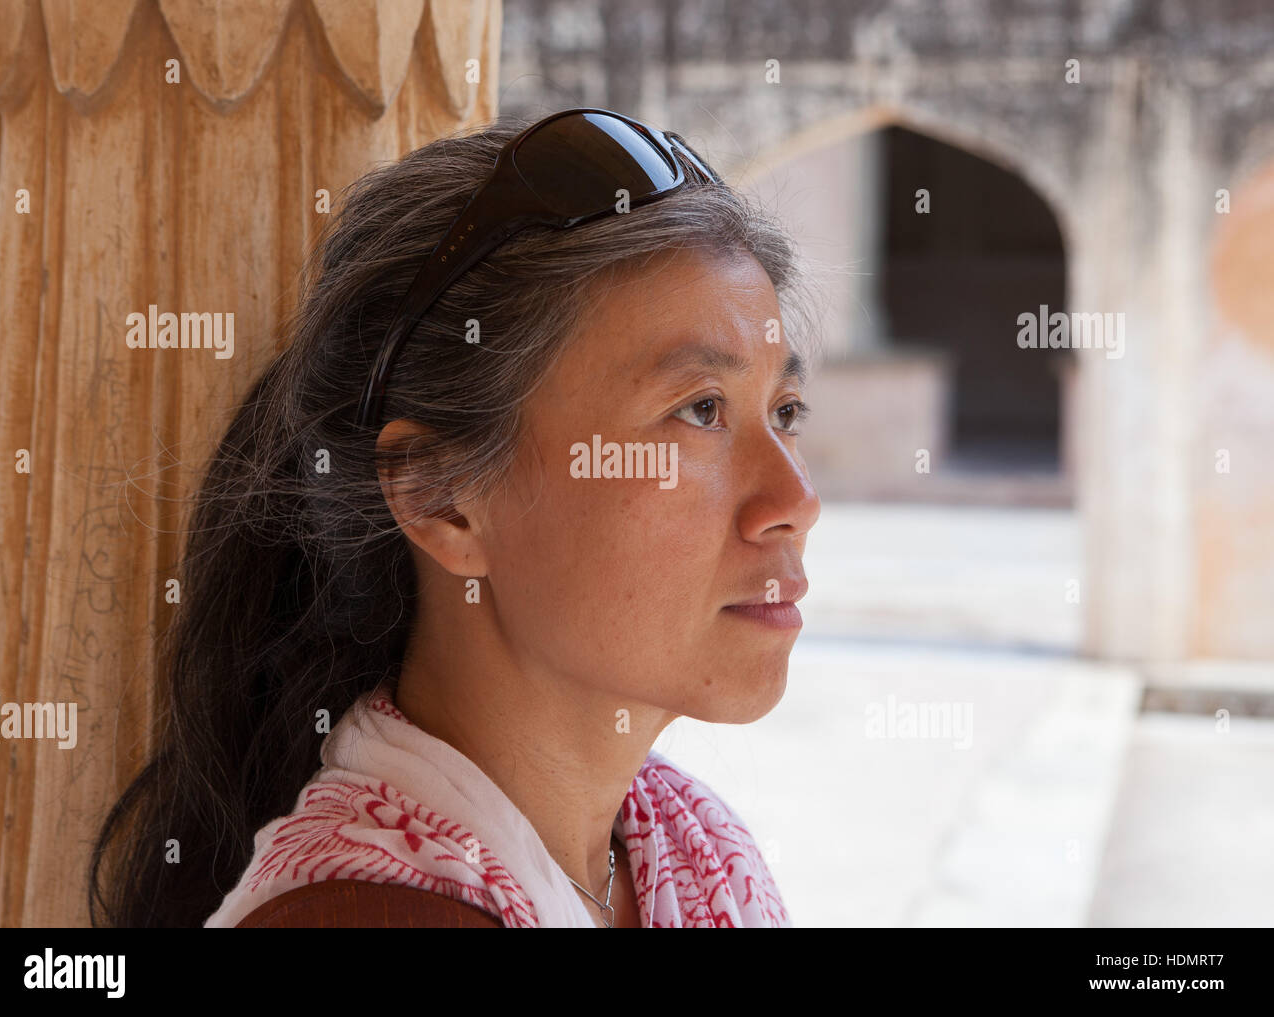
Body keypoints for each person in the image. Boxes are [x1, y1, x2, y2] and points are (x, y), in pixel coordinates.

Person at [87, 107, 823, 928]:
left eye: (786, 411)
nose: (795, 503)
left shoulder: (692, 851)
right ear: (443, 499)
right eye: (698, 409)